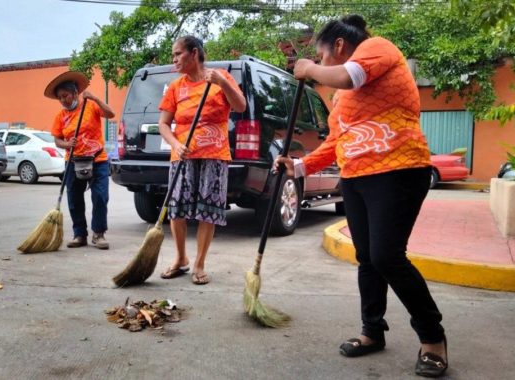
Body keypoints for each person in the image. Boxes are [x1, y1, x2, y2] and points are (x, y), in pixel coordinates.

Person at [275, 15, 448, 377]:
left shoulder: (376, 48)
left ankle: (432, 337)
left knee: (387, 255)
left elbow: (348, 74)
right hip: (355, 177)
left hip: (398, 170)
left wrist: (307, 69)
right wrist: (299, 166)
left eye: (320, 57)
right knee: (368, 257)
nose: (319, 65)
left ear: (339, 46)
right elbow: (337, 142)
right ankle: (372, 331)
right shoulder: (341, 97)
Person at [157, 36, 246, 285]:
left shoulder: (220, 77)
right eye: (173, 55)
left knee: (208, 210)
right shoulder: (175, 87)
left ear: (194, 53)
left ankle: (199, 263)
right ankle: (181, 258)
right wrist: (175, 144)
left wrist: (223, 84)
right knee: (177, 209)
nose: (173, 59)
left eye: (177, 54)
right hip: (182, 155)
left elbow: (240, 106)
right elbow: (163, 124)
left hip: (214, 154)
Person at [46, 71, 115, 250]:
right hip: (73, 161)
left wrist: (95, 98)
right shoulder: (60, 117)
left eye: (65, 96)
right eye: (59, 98)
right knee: (74, 199)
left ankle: (98, 234)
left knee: (100, 196)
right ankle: (79, 234)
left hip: (97, 159)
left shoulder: (90, 106)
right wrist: (67, 143)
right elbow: (57, 140)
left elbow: (111, 114)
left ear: (75, 93)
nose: (63, 100)